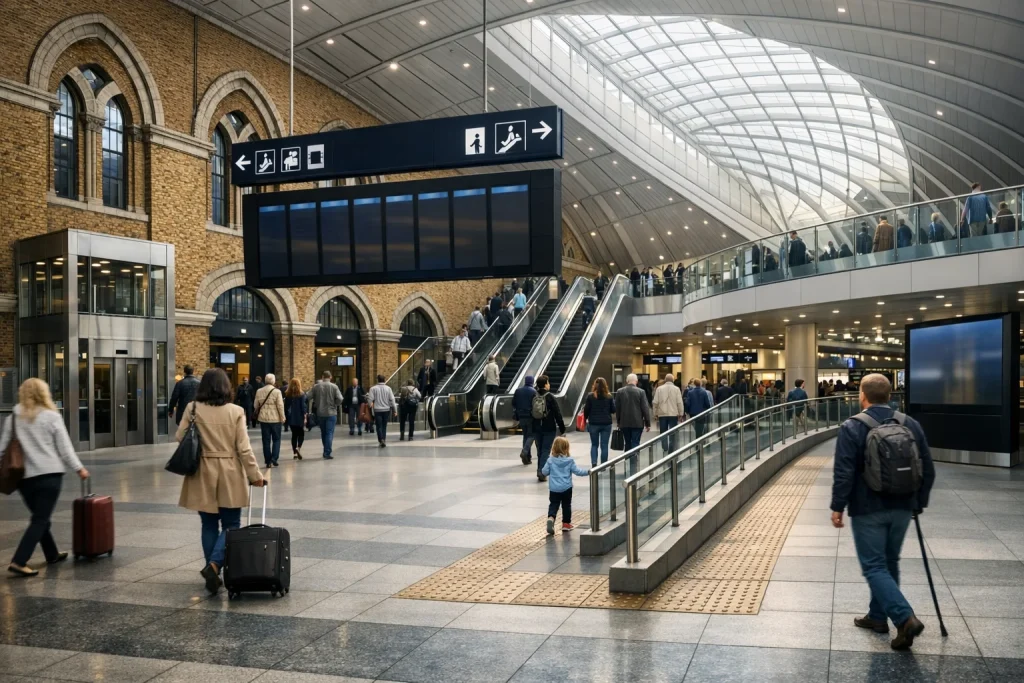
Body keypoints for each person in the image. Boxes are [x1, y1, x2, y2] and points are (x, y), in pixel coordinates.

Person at [831, 373, 935, 651]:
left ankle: (904, 618)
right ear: (890, 396)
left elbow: (844, 472)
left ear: (861, 396)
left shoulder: (853, 426)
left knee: (874, 566)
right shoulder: (909, 423)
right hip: (902, 505)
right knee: (890, 562)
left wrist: (837, 506)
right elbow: (927, 467)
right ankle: (878, 617)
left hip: (868, 508)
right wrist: (918, 502)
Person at [175, 369, 265, 594]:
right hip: (229, 471)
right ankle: (214, 567)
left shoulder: (192, 408)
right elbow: (243, 448)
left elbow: (180, 437)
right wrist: (255, 476)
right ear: (226, 387)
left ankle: (211, 569)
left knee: (208, 524)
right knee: (232, 525)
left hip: (201, 471)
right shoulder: (236, 411)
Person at [1, 378, 89, 577]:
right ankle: (19, 560)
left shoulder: (13, 418)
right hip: (50, 476)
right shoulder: (51, 417)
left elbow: (2, 449)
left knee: (40, 517)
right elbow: (65, 449)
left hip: (23, 478)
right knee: (40, 518)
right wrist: (79, 468)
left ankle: (51, 554)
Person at [542, 436, 589, 535]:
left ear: (554, 447)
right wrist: (588, 472)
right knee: (566, 505)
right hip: (566, 488)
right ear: (566, 448)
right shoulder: (570, 460)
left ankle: (551, 518)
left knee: (554, 504)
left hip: (554, 489)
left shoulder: (550, 460)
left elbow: (544, 472)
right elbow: (578, 472)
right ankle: (566, 524)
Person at [615, 374, 651, 474]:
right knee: (635, 441)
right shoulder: (641, 392)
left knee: (627, 442)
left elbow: (617, 408)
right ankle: (634, 462)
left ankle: (627, 459)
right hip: (637, 422)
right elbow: (645, 408)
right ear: (636, 381)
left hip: (624, 422)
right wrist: (647, 423)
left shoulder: (620, 391)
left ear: (627, 381)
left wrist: (618, 421)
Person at [531, 375, 565, 482]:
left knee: (540, 450)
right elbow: (557, 413)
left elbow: (530, 412)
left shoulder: (534, 396)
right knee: (546, 449)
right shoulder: (550, 397)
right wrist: (562, 427)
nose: (549, 384)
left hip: (536, 427)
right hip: (549, 428)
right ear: (545, 384)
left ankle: (539, 469)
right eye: (548, 382)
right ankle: (541, 471)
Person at [310, 371, 344, 458]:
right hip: (331, 413)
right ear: (331, 377)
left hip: (320, 413)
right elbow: (340, 398)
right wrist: (335, 404)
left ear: (322, 377)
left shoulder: (316, 387)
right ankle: (327, 452)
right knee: (329, 433)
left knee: (323, 432)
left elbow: (308, 396)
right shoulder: (334, 386)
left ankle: (325, 449)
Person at [253, 373, 285, 468]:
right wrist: (282, 417)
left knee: (266, 440)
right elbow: (280, 406)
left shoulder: (259, 391)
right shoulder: (277, 392)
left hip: (263, 419)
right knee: (276, 439)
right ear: (273, 381)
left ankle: (267, 461)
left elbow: (255, 405)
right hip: (275, 419)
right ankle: (274, 458)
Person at [583, 377, 615, 466]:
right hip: (606, 423)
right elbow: (613, 410)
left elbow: (586, 410)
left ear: (595, 385)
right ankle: (603, 465)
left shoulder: (590, 396)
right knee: (604, 445)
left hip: (593, 423)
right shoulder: (609, 396)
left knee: (594, 445)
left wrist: (586, 419)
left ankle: (594, 463)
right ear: (605, 385)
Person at [652, 373, 684, 454]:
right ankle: (671, 447)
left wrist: (655, 413)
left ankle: (664, 447)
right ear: (673, 380)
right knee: (673, 432)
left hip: (662, 414)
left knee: (663, 431)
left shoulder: (659, 389)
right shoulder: (676, 389)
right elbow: (679, 402)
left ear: (665, 380)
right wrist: (681, 413)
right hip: (673, 414)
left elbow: (655, 402)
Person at [513, 376, 538, 465]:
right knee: (532, 435)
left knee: (525, 436)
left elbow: (513, 403)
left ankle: (527, 458)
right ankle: (525, 451)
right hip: (530, 416)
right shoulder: (534, 391)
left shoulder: (518, 391)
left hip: (521, 416)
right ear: (532, 382)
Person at [367, 374, 397, 448]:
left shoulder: (373, 389)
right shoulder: (388, 388)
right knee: (384, 425)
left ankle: (381, 440)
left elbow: (370, 399)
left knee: (378, 426)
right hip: (386, 409)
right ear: (384, 379)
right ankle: (383, 439)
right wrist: (395, 410)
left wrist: (370, 405)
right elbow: (392, 400)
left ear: (377, 380)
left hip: (377, 410)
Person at [284, 378, 307, 460]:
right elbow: (303, 407)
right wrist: (305, 416)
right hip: (299, 417)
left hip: (291, 418)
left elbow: (286, 407)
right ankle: (298, 447)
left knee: (294, 435)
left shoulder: (287, 394)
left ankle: (294, 453)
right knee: (301, 434)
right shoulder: (301, 394)